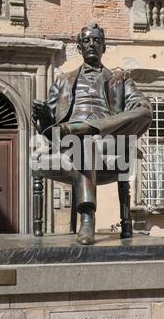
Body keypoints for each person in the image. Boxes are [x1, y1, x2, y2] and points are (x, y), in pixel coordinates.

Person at [31, 23, 152, 245]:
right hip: (68, 140)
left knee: (144, 111)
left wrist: (96, 127)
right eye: (86, 40)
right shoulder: (62, 80)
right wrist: (42, 117)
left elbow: (141, 108)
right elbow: (47, 129)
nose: (91, 44)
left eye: (96, 40)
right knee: (83, 143)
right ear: (79, 47)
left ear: (104, 46)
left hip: (109, 140)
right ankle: (87, 218)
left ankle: (87, 128)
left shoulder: (120, 78)